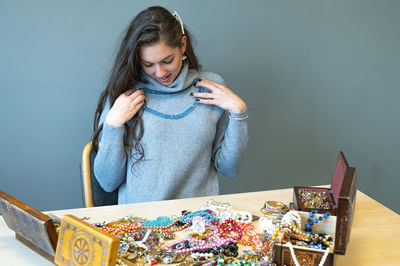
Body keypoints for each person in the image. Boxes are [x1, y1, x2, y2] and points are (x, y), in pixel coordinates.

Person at [92, 6, 248, 204]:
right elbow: (107, 182)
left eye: (167, 61)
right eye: (148, 64)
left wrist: (238, 112)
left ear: (182, 46)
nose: (160, 73)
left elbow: (229, 169)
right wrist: (113, 124)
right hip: (142, 225)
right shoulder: (125, 97)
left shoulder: (211, 89)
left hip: (199, 223)